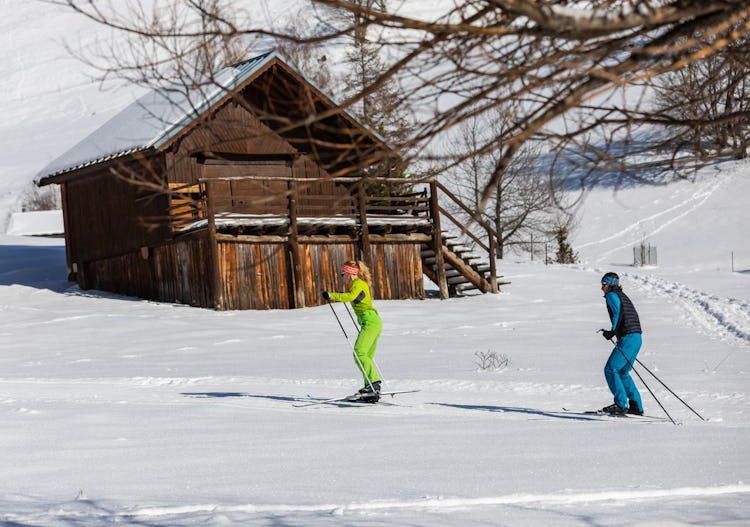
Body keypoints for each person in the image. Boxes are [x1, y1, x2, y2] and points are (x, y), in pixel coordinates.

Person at [322, 260, 383, 402]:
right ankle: (370, 387)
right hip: (371, 322)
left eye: (343, 274)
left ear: (349, 273)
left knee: (359, 353)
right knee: (366, 356)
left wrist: (332, 295)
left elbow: (350, 297)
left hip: (370, 322)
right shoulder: (358, 285)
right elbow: (354, 297)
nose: (342, 277)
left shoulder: (358, 284)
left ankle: (373, 384)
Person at [599, 272, 644, 415]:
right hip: (636, 337)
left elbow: (618, 312)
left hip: (628, 337)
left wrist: (612, 331)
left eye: (603, 285)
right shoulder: (622, 295)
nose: (602, 288)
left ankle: (620, 404)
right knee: (623, 372)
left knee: (611, 368)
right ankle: (636, 406)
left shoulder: (612, 295)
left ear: (610, 284)